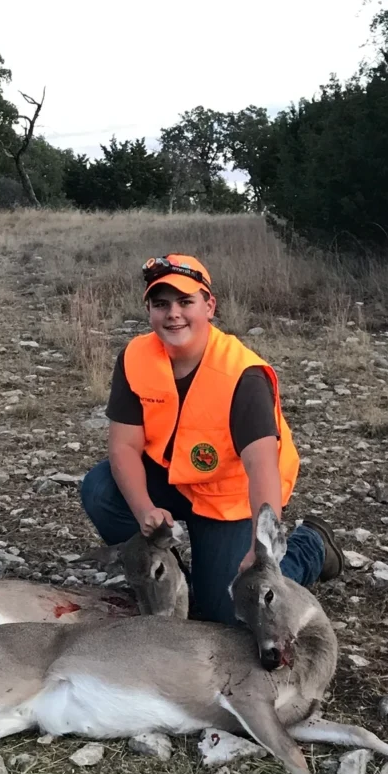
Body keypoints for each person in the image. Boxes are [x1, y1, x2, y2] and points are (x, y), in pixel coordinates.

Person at [80, 253, 343, 625]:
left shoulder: (242, 375)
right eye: (161, 304)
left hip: (230, 495)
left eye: (186, 302)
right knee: (100, 490)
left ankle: (310, 548)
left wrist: (260, 548)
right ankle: (176, 579)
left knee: (229, 611)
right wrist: (144, 512)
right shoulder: (135, 357)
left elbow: (261, 466)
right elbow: (124, 446)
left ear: (209, 305)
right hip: (173, 478)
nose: (173, 314)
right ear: (149, 310)